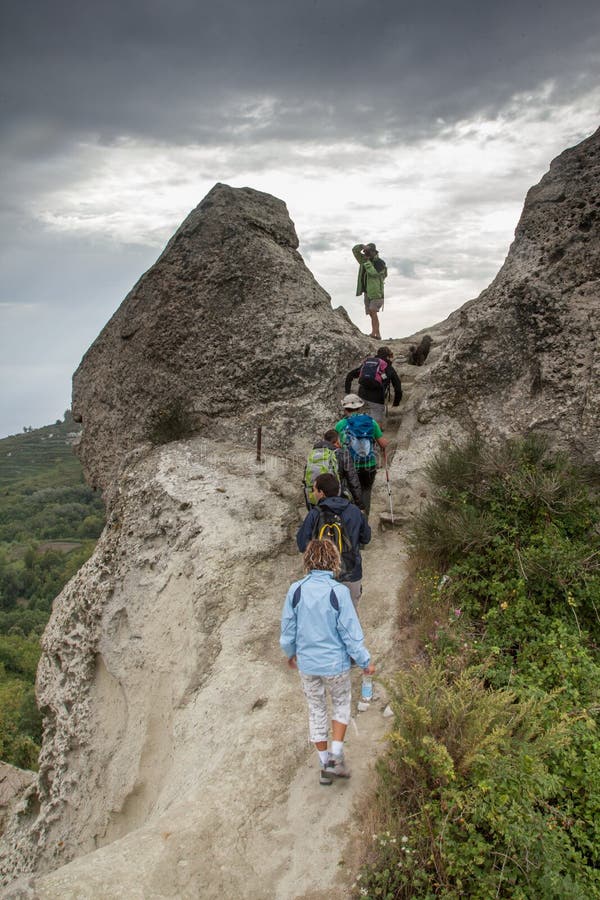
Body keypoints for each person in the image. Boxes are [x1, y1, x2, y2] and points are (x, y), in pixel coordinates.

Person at [280, 539, 375, 785]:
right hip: (335, 664)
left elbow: (288, 629)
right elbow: (350, 633)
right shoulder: (338, 592)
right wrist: (365, 660)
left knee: (317, 709)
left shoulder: (296, 590)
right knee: (341, 704)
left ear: (308, 560)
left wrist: (291, 653)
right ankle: (335, 755)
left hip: (308, 664)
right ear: (334, 560)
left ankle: (324, 764)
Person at [297, 472, 370, 607]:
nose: (313, 494)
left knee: (325, 619)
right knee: (350, 618)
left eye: (314, 490)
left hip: (322, 576)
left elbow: (302, 545)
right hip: (351, 572)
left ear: (322, 493)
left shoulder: (314, 514)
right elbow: (366, 538)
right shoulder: (354, 511)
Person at [335, 394, 388, 518]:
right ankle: (364, 519)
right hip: (368, 464)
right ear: (359, 407)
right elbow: (382, 443)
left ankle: (351, 519)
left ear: (345, 408)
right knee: (366, 490)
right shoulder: (371, 422)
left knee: (350, 490)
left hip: (349, 465)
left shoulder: (340, 425)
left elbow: (337, 446)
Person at [345, 346, 402, 426]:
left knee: (360, 424)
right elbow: (398, 387)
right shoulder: (388, 367)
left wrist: (347, 391)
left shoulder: (368, 363)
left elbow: (350, 375)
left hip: (362, 397)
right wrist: (396, 403)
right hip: (377, 399)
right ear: (388, 356)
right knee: (375, 426)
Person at [308, 429, 363, 509]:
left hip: (317, 502)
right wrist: (359, 505)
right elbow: (353, 481)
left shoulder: (313, 455)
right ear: (337, 441)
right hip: (339, 501)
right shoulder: (342, 454)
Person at [352, 242, 387, 340]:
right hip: (367, 292)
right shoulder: (364, 260)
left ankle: (373, 333)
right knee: (372, 314)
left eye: (368, 251)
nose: (366, 253)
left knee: (373, 311)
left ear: (374, 252)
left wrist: (367, 262)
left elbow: (374, 273)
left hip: (377, 293)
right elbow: (354, 251)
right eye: (365, 252)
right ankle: (378, 334)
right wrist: (362, 246)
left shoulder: (380, 262)